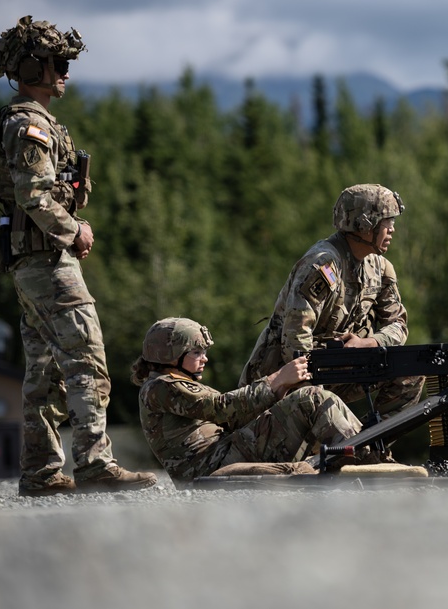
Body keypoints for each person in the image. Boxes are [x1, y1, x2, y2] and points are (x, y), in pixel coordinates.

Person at [0, 16, 156, 495]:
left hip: (28, 263)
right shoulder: (31, 125)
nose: (65, 73)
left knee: (44, 369)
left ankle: (40, 472)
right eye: (58, 63)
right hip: (47, 261)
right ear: (32, 68)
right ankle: (94, 463)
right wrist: (75, 230)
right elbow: (33, 194)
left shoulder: (17, 121)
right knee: (86, 356)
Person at [238, 184, 425, 448]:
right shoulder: (323, 265)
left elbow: (398, 324)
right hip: (287, 379)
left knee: (411, 371)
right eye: (387, 221)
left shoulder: (381, 268)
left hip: (337, 370)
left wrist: (369, 343)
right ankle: (348, 450)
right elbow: (295, 342)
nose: (392, 229)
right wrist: (315, 398)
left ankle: (371, 446)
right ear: (365, 225)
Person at [133, 318, 362, 485]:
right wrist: (276, 380)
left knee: (307, 399)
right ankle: (366, 460)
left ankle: (364, 453)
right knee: (310, 399)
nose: (205, 358)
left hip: (221, 458)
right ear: (171, 355)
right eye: (196, 352)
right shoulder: (160, 387)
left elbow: (231, 419)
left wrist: (280, 390)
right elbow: (220, 407)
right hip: (213, 467)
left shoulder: (172, 384)